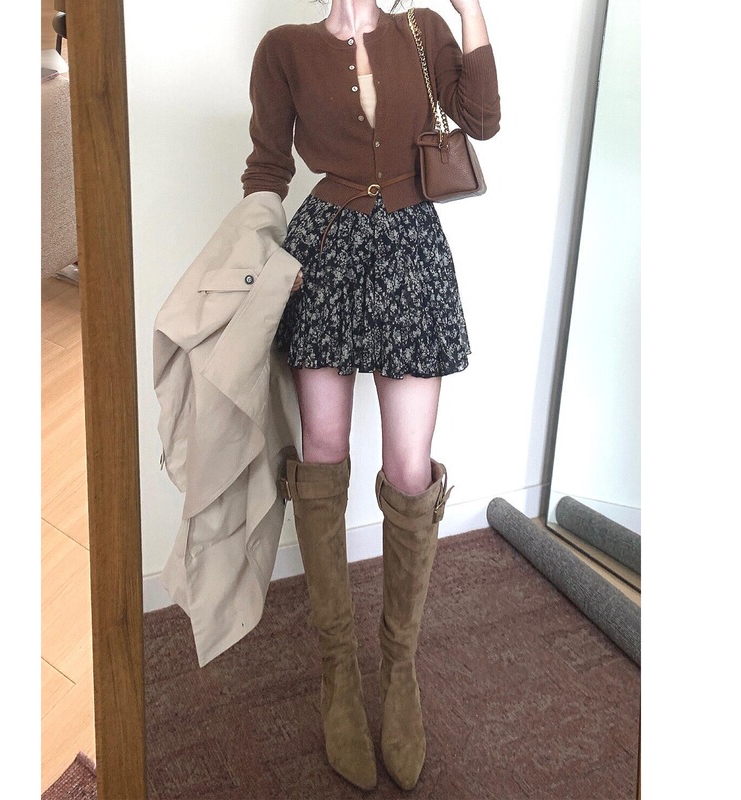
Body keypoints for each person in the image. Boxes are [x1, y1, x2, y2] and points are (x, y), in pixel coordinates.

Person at [241, 0, 500, 791]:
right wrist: (253, 266)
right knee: (322, 455)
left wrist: (469, 7)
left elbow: (483, 120)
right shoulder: (284, 48)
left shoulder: (423, 30)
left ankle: (399, 670)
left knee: (409, 469)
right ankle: (337, 675)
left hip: (414, 254)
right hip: (323, 252)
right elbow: (267, 169)